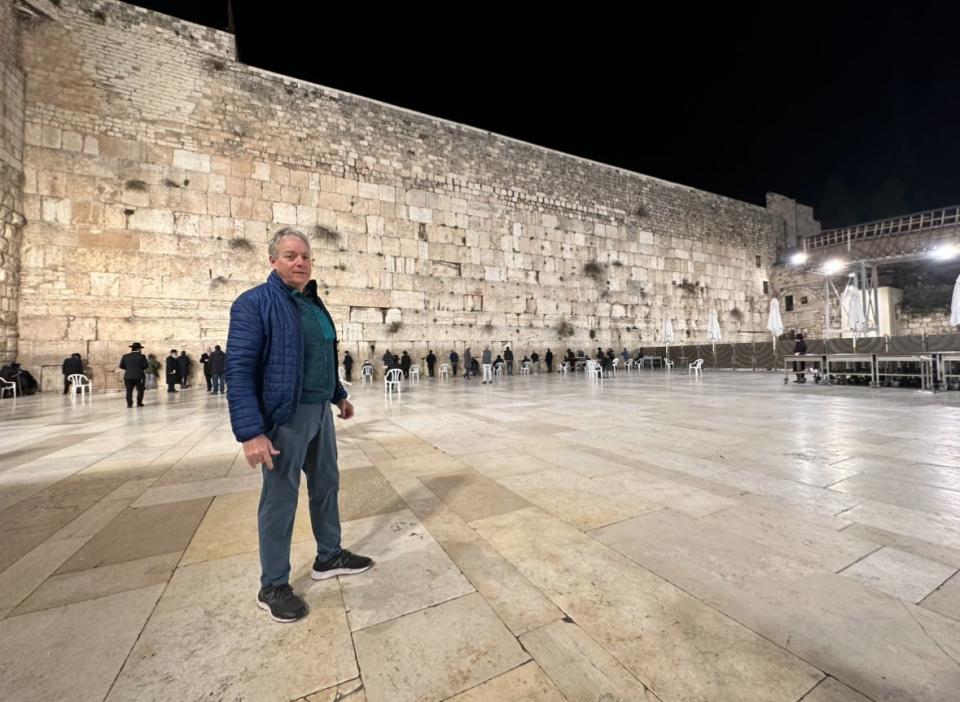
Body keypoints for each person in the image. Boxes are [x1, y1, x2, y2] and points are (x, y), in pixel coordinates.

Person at [227, 227, 372, 624]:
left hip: (318, 412)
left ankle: (329, 556)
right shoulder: (254, 304)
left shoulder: (313, 304)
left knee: (327, 484)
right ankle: (273, 584)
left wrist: (338, 394)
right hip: (284, 417)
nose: (300, 263)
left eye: (305, 256)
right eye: (291, 256)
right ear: (273, 260)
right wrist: (250, 432)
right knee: (280, 498)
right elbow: (238, 370)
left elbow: (323, 355)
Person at [119, 342, 148, 407]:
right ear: (138, 349)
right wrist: (140, 368)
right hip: (139, 376)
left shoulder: (125, 356)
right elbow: (146, 366)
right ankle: (139, 403)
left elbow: (121, 366)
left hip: (128, 376)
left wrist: (129, 369)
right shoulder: (142, 356)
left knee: (129, 391)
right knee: (140, 390)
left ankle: (129, 404)